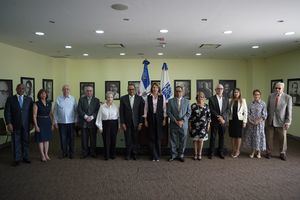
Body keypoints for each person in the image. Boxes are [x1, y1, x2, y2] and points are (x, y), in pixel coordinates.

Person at [4, 84, 33, 166]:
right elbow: (7, 112)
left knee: (26, 141)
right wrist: (9, 123)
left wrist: (32, 123)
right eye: (19, 88)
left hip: (26, 124)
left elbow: (31, 113)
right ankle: (16, 159)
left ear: (25, 90)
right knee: (15, 142)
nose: (21, 89)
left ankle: (26, 157)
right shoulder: (10, 99)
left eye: (23, 88)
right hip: (14, 124)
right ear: (16, 89)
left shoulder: (29, 99)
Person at [266, 82, 292, 161]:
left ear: (283, 89)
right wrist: (266, 119)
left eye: (279, 88)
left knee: (282, 138)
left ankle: (282, 153)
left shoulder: (288, 98)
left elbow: (289, 112)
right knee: (269, 138)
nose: (277, 89)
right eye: (276, 88)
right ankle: (269, 152)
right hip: (270, 121)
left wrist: (288, 122)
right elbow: (268, 108)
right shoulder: (271, 96)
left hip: (282, 122)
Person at [120, 83, 144, 160]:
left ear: (135, 90)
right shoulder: (123, 98)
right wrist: (122, 123)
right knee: (127, 139)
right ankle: (128, 154)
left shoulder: (139, 98)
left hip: (136, 123)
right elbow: (121, 112)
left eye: (132, 89)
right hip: (127, 123)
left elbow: (141, 112)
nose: (131, 91)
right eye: (129, 89)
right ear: (127, 90)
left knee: (135, 139)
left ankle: (135, 154)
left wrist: (141, 122)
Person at [167, 85, 191, 162]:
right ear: (175, 92)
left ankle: (181, 155)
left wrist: (182, 121)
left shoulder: (187, 101)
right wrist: (176, 121)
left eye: (180, 91)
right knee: (173, 140)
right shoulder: (170, 101)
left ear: (182, 92)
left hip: (183, 125)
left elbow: (188, 113)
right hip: (174, 124)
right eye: (176, 91)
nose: (178, 93)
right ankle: (173, 155)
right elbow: (168, 112)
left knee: (182, 141)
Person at [144, 83, 167, 161]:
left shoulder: (162, 97)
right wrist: (145, 120)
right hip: (150, 118)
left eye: (156, 87)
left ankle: (157, 155)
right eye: (153, 87)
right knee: (151, 137)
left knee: (158, 137)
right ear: (151, 89)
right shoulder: (148, 97)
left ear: (158, 88)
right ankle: (153, 155)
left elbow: (164, 108)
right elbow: (145, 109)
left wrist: (164, 119)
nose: (154, 89)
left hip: (159, 118)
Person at [53, 84, 77, 159]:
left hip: (71, 122)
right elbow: (55, 111)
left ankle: (71, 153)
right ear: (62, 90)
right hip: (61, 123)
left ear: (69, 90)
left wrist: (76, 120)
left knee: (71, 138)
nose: (66, 90)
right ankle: (64, 152)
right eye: (64, 89)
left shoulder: (73, 99)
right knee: (63, 138)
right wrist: (55, 122)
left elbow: (76, 111)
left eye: (67, 89)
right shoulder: (58, 99)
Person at [77, 85, 100, 159]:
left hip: (93, 122)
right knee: (84, 139)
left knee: (93, 139)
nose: (89, 92)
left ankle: (93, 152)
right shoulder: (81, 99)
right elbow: (79, 110)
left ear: (92, 92)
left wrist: (92, 117)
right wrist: (86, 117)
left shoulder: (96, 100)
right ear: (85, 92)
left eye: (90, 91)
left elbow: (98, 111)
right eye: (87, 91)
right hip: (84, 122)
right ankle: (84, 153)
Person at [244, 89, 267, 159]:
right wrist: (251, 121)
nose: (256, 96)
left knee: (259, 137)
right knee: (253, 137)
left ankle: (259, 152)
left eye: (258, 94)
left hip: (260, 124)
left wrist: (258, 121)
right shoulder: (250, 104)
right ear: (253, 95)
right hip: (251, 124)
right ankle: (253, 151)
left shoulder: (263, 104)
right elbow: (248, 113)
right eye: (255, 94)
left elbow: (265, 114)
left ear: (260, 95)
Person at [208, 84, 229, 159]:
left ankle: (221, 152)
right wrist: (219, 117)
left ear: (223, 90)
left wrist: (222, 118)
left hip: (223, 121)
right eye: (218, 88)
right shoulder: (211, 99)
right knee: (213, 137)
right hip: (215, 121)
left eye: (221, 88)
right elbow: (211, 109)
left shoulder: (226, 99)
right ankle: (211, 152)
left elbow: (227, 110)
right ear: (215, 90)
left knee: (222, 137)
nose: (220, 90)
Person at [96, 91, 119, 160]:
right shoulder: (102, 107)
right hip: (105, 124)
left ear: (113, 98)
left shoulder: (116, 107)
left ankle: (113, 155)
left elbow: (118, 117)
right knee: (106, 141)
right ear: (106, 98)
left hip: (114, 124)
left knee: (113, 140)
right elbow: (99, 118)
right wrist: (100, 127)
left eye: (111, 97)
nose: (109, 98)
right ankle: (106, 155)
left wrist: (119, 126)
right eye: (108, 97)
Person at [189, 91, 211, 160]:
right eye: (199, 97)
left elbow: (209, 117)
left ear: (204, 98)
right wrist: (189, 125)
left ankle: (199, 154)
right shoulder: (193, 106)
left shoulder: (206, 106)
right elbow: (190, 116)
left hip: (203, 126)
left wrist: (208, 125)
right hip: (194, 126)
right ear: (197, 98)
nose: (200, 98)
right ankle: (195, 154)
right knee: (195, 140)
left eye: (202, 97)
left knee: (201, 140)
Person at [33, 89, 53, 162]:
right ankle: (42, 155)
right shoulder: (36, 103)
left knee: (47, 139)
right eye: (42, 94)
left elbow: (51, 114)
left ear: (46, 95)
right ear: (39, 95)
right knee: (41, 139)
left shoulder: (49, 103)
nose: (43, 95)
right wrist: (36, 126)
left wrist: (52, 123)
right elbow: (34, 115)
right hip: (40, 122)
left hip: (47, 122)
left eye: (45, 94)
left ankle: (46, 154)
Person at [228, 88, 247, 158]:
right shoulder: (230, 100)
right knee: (232, 136)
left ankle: (237, 150)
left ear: (239, 93)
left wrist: (245, 122)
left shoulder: (243, 100)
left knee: (238, 136)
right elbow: (228, 111)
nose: (236, 93)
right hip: (232, 120)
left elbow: (246, 112)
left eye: (237, 92)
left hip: (239, 120)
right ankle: (233, 149)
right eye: (235, 92)